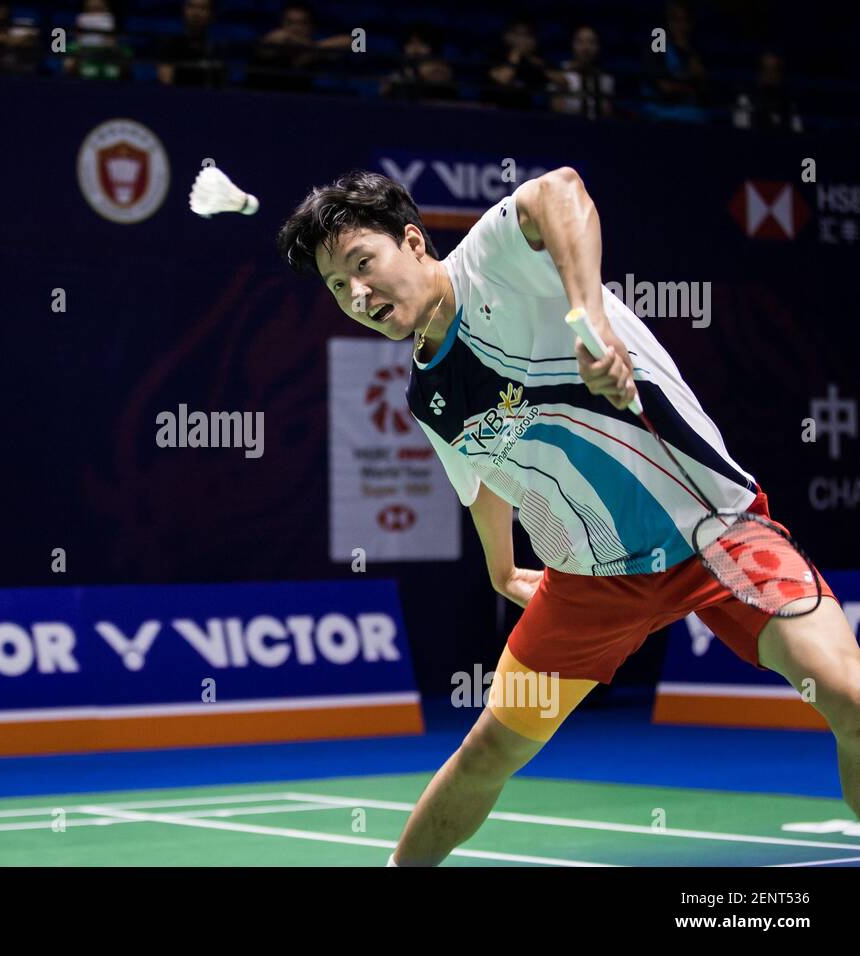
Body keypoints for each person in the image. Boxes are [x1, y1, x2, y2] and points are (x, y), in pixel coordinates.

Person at [275, 169, 855, 866]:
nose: (357, 294)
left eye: (362, 265)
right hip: (588, 581)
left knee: (848, 695)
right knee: (486, 751)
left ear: (413, 242)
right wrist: (499, 567)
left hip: (714, 532)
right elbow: (480, 478)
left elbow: (563, 191)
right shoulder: (427, 393)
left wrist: (590, 320)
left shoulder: (493, 258)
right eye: (338, 287)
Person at [380, 23, 457, 103]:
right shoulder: (401, 70)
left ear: (432, 47)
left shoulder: (441, 69)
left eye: (422, 44)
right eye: (410, 43)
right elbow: (384, 91)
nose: (415, 48)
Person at [156, 0, 226, 89]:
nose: (196, 13)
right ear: (184, 10)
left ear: (211, 14)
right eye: (191, 6)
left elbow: (220, 87)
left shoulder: (218, 49)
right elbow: (166, 84)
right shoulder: (169, 45)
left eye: (202, 8)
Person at [553, 25, 614, 119]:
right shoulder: (561, 73)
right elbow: (556, 112)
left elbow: (607, 114)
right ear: (572, 44)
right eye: (580, 42)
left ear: (598, 47)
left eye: (591, 42)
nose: (586, 48)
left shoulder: (606, 78)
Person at [732, 52, 803, 133]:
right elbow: (741, 133)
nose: (770, 75)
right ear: (759, 73)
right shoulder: (745, 99)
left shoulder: (789, 102)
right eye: (766, 70)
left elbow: (797, 132)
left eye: (775, 70)